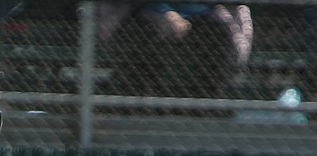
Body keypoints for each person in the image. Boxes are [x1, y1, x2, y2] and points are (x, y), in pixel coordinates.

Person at [98, 2, 252, 99]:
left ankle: (206, 101)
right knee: (145, 30)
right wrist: (164, 11)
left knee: (217, 31)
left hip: (198, 13)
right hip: (151, 11)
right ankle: (141, 99)